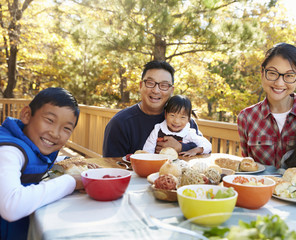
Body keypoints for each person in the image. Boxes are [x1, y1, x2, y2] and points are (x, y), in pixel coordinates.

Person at [0, 87, 85, 240]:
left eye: (66, 128)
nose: (55, 133)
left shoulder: (32, 145)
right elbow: (10, 206)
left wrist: (68, 163)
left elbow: (36, 163)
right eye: (49, 120)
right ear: (27, 115)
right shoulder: (8, 151)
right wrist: (71, 182)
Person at [237, 43, 296, 168]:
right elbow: (247, 167)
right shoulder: (246, 117)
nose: (279, 83)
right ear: (262, 72)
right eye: (272, 73)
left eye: (289, 75)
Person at [103, 60, 199, 157]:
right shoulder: (120, 123)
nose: (156, 90)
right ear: (141, 86)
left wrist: (181, 147)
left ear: (171, 91)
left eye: (164, 85)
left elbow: (203, 150)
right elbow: (111, 165)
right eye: (150, 83)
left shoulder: (183, 121)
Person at [143, 95, 211, 157]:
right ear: (166, 115)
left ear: (188, 119)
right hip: (160, 165)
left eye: (182, 117)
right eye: (172, 115)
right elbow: (148, 150)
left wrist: (195, 150)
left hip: (181, 166)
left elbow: (207, 145)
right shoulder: (158, 129)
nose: (176, 121)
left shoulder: (188, 132)